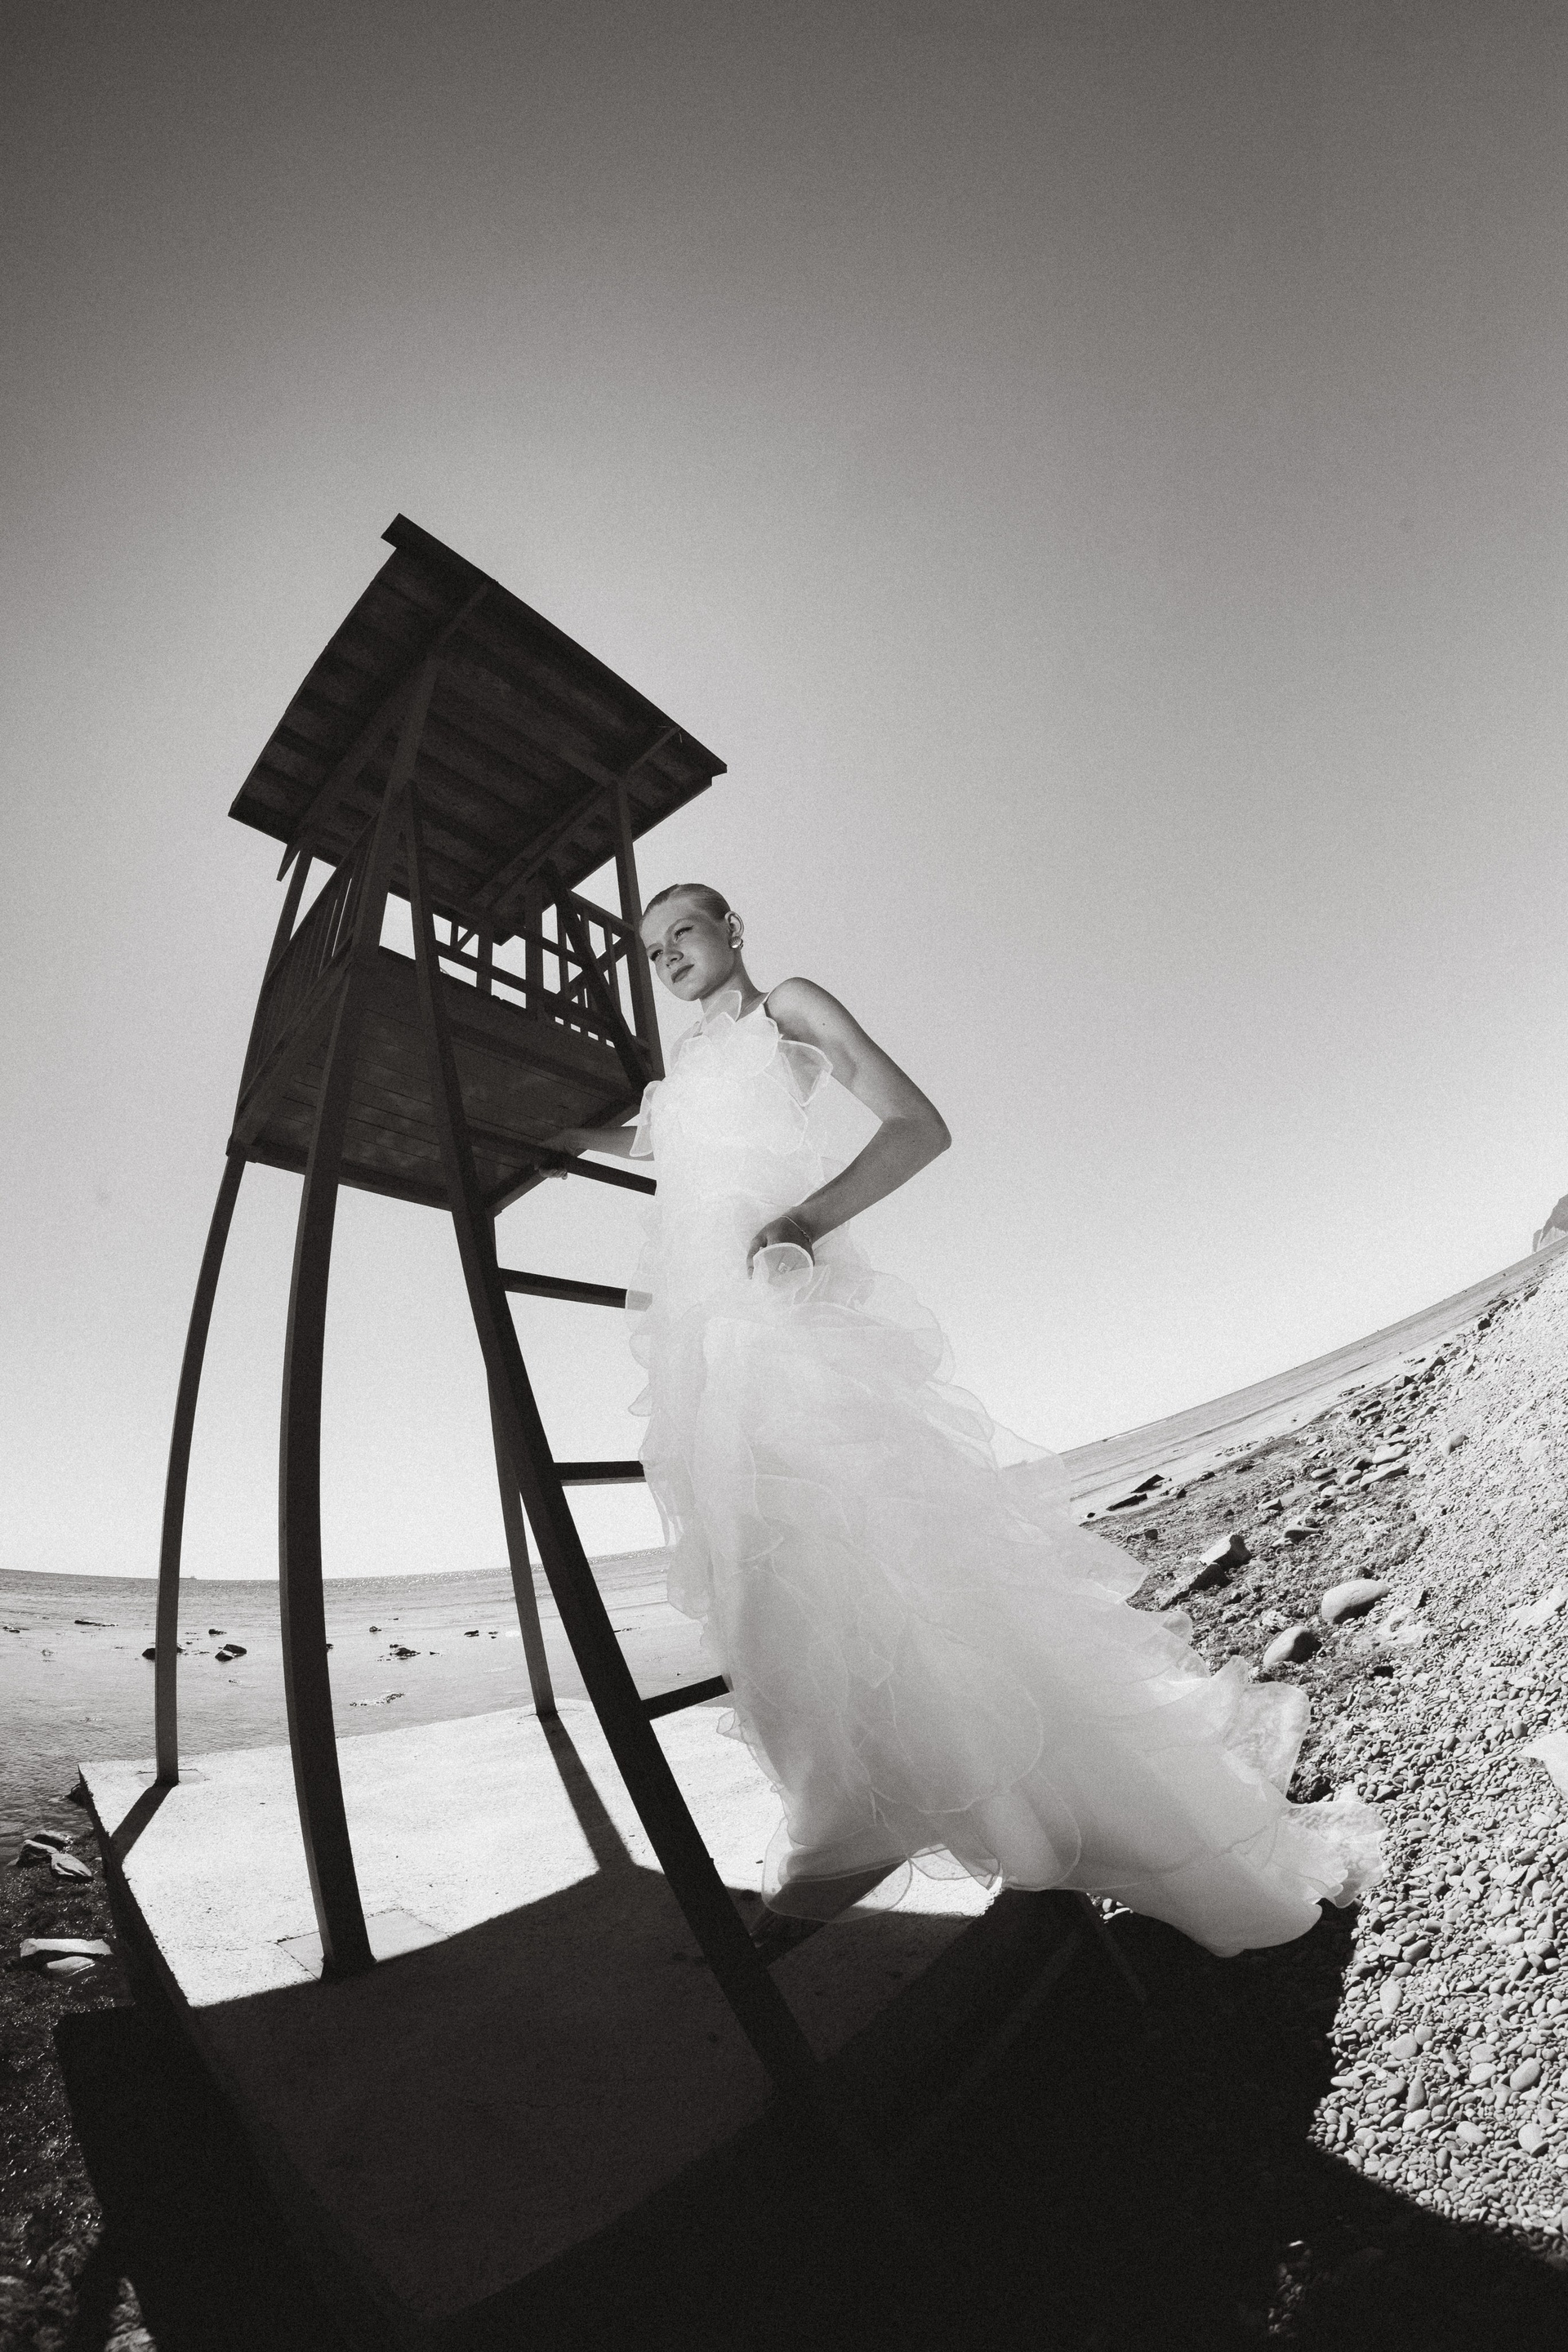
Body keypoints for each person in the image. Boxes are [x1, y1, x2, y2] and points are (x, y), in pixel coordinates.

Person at [546, 884, 1384, 1961]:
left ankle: (938, 1816)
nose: (669, 956)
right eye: (653, 947)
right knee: (764, 1575)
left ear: (733, 930)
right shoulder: (685, 1068)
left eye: (687, 932)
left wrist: (804, 1219)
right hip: (704, 1334)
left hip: (785, 1303)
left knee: (886, 1552)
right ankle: (862, 1808)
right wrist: (560, 1131)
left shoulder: (783, 1007)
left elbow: (919, 1127)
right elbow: (650, 1141)